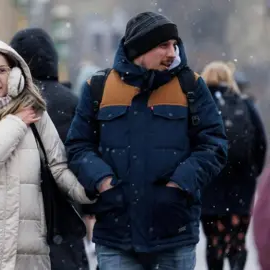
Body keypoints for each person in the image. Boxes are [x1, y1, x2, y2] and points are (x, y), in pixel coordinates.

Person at [65, 12, 227, 270]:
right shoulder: (99, 87)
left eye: (174, 45)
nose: (173, 53)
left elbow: (214, 144)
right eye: (163, 45)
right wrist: (103, 181)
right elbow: (78, 147)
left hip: (174, 233)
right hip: (116, 235)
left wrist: (181, 182)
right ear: (139, 49)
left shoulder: (191, 86)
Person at [0, 37, 92, 270]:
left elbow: (58, 166)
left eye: (3, 70)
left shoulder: (35, 115)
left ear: (15, 75)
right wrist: (15, 122)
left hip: (28, 253)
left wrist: (90, 191)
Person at [10, 27, 89, 270]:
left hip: (17, 214)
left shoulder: (9, 102)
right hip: (64, 211)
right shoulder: (72, 101)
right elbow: (82, 156)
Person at [200, 61, 266, 270]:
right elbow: (261, 143)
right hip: (241, 185)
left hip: (210, 186)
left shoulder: (199, 106)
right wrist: (253, 172)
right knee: (237, 241)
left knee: (214, 242)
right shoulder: (245, 105)